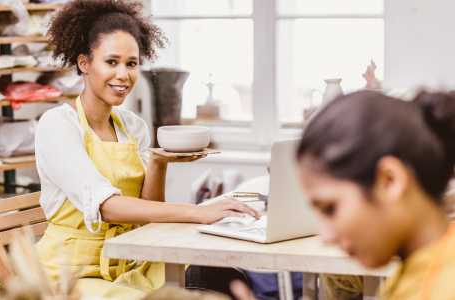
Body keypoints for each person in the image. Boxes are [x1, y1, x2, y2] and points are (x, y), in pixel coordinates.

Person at [33, 1, 257, 299]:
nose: (124, 75)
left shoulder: (131, 125)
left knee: (218, 274)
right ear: (84, 63)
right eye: (111, 62)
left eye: (132, 63)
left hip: (130, 262)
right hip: (71, 273)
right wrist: (198, 212)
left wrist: (158, 162)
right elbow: (107, 207)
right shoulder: (58, 125)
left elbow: (146, 213)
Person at [294, 90, 455, 299]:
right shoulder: (422, 268)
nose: (326, 237)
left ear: (389, 181)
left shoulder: (439, 290)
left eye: (331, 209)